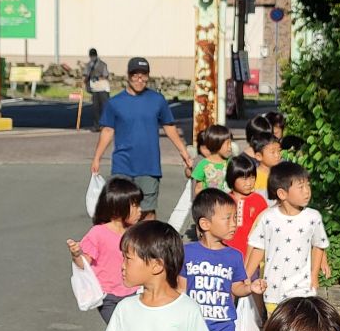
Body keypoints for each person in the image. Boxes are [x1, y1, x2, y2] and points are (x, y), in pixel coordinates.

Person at [180, 189, 265, 331]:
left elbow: (236, 288)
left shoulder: (234, 255)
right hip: (192, 329)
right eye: (227, 219)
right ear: (205, 224)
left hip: (223, 329)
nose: (234, 224)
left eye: (235, 218)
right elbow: (180, 290)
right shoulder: (186, 253)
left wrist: (250, 288)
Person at [92, 57, 193, 220]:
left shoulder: (157, 100)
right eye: (135, 75)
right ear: (128, 76)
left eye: (143, 75)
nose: (139, 80)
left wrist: (183, 152)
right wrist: (97, 158)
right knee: (120, 212)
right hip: (122, 165)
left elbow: (168, 126)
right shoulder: (115, 102)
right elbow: (108, 130)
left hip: (149, 166)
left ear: (148, 76)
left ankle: (147, 237)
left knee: (147, 211)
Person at [246, 161, 330, 314]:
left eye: (308, 185)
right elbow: (258, 248)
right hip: (273, 291)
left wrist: (314, 276)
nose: (307, 191)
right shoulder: (268, 218)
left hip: (303, 290)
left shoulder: (313, 217)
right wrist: (246, 277)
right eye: (300, 187)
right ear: (282, 194)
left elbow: (318, 246)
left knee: (301, 326)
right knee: (277, 327)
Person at [67, 177, 143, 327]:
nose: (140, 210)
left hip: (134, 293)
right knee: (119, 329)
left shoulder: (135, 232)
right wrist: (76, 255)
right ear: (118, 206)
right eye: (135, 205)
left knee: (133, 330)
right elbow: (84, 264)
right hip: (108, 297)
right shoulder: (98, 233)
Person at [223, 154, 268, 259]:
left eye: (252, 177)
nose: (249, 183)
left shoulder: (259, 201)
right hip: (225, 254)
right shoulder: (223, 201)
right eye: (244, 178)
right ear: (232, 178)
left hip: (250, 256)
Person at [191, 125, 233, 193]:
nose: (230, 147)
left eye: (230, 143)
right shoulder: (203, 165)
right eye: (227, 143)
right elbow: (198, 188)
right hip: (209, 199)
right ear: (216, 144)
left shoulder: (230, 162)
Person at [83, 48, 111, 132]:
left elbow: (106, 75)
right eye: (91, 56)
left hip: (103, 88)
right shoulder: (89, 65)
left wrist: (97, 78)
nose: (92, 57)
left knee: (104, 107)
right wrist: (85, 81)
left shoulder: (102, 64)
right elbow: (86, 75)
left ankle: (105, 125)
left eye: (93, 56)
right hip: (95, 88)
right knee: (96, 108)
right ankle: (97, 126)